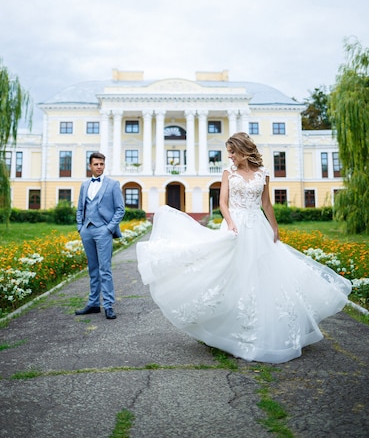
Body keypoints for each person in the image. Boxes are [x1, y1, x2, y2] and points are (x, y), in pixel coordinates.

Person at [136, 132, 352, 363]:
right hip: (236, 226)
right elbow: (223, 202)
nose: (229, 156)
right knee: (231, 273)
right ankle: (229, 328)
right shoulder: (228, 173)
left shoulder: (263, 174)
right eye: (228, 152)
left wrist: (275, 228)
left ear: (243, 150)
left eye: (232, 152)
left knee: (263, 275)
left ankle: (265, 329)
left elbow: (266, 203)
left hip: (258, 226)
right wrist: (230, 222)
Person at [75, 151, 125, 319]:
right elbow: (80, 208)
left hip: (103, 230)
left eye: (101, 164)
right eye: (96, 164)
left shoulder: (112, 184)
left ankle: (108, 305)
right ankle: (94, 303)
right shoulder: (84, 185)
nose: (99, 167)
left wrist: (109, 228)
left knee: (105, 269)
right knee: (93, 269)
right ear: (90, 166)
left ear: (104, 165)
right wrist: (80, 227)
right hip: (87, 230)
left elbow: (120, 209)